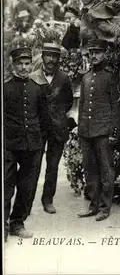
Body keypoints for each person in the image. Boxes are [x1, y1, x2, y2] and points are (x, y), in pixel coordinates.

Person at [77, 39, 120, 221]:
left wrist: (114, 133)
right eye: (91, 53)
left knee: (106, 171)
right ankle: (93, 205)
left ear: (105, 54)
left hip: (103, 131)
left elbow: (117, 107)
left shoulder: (111, 77)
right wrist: (80, 130)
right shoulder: (86, 78)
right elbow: (82, 105)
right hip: (86, 132)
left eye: (97, 52)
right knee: (90, 171)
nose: (94, 56)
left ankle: (104, 208)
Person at [4, 44, 47, 241]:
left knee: (27, 186)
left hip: (32, 145)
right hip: (9, 145)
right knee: (6, 185)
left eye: (27, 63)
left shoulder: (37, 89)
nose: (23, 67)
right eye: (20, 63)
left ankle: (17, 223)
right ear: (13, 65)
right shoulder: (5, 88)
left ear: (31, 65)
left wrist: (40, 142)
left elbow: (44, 118)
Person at [30, 43, 73, 214]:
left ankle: (48, 200)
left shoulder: (64, 78)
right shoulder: (33, 77)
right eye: (48, 56)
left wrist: (58, 114)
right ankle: (28, 201)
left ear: (59, 59)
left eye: (55, 57)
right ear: (42, 57)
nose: (51, 60)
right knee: (33, 166)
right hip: (37, 129)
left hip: (57, 129)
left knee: (52, 167)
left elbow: (68, 101)